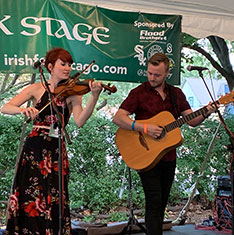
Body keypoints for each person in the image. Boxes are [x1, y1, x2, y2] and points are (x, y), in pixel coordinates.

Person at [1, 47, 103, 234]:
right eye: (62, 64)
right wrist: (24, 110)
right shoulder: (36, 88)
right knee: (31, 194)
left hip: (56, 148)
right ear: (50, 66)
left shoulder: (73, 93)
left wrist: (94, 97)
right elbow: (6, 107)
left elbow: (80, 121)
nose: (67, 68)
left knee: (55, 195)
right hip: (34, 149)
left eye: (69, 65)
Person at [113, 52, 216, 235]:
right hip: (145, 155)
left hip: (168, 156)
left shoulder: (176, 94)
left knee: (161, 203)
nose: (152, 78)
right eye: (150, 73)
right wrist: (144, 128)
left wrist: (207, 111)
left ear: (167, 73)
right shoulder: (138, 93)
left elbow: (191, 120)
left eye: (157, 75)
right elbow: (119, 118)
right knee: (153, 201)